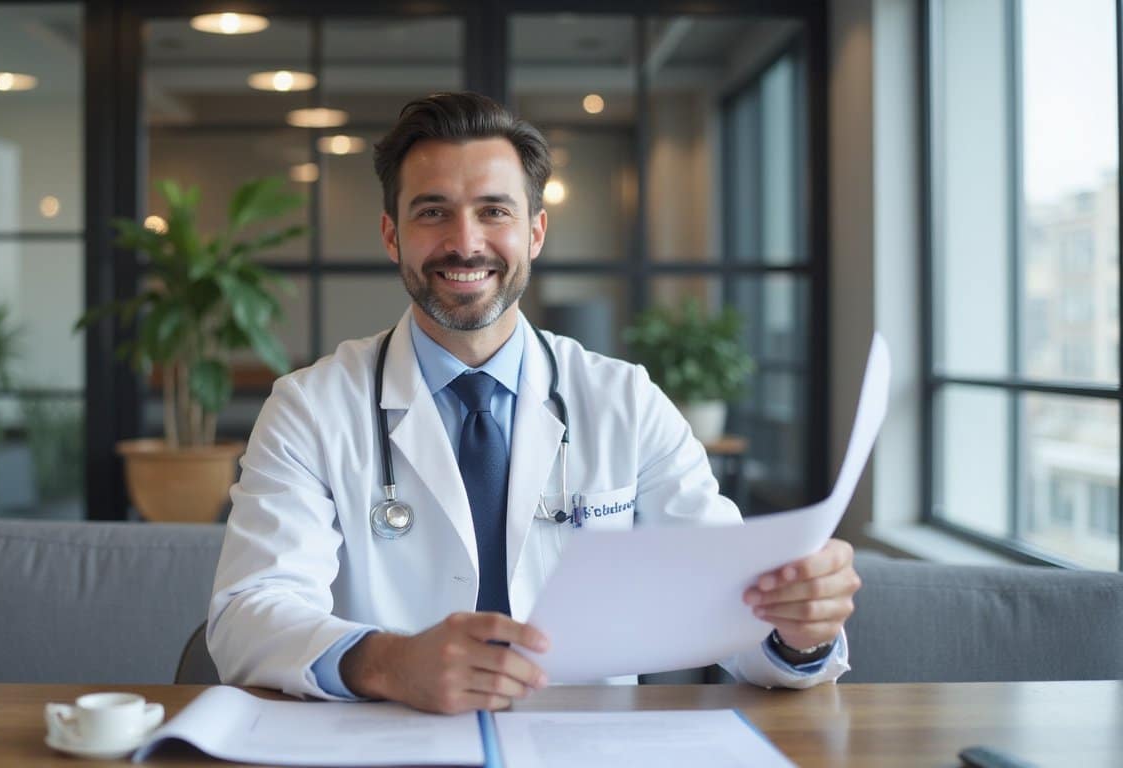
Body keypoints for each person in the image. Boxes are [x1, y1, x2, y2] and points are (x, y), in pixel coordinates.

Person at [207, 92, 859, 714]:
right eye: (432, 212)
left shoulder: (625, 401)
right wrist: (390, 663)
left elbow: (730, 602)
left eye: (494, 211)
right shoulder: (310, 408)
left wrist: (798, 628)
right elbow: (247, 615)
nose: (465, 242)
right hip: (386, 739)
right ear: (391, 235)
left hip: (585, 746)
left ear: (536, 232)